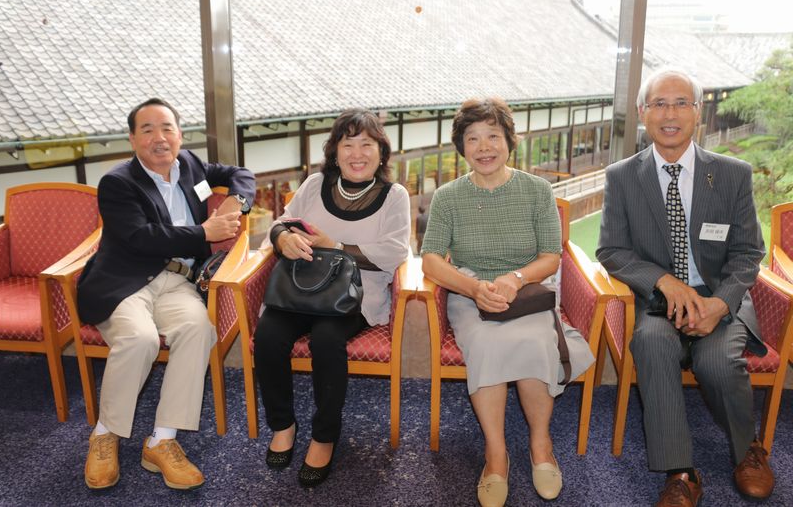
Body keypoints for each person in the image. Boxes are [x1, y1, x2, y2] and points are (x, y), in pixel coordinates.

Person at [597, 68, 773, 506]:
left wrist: (719, 304)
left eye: (681, 103)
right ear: (643, 112)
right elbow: (612, 250)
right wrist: (663, 281)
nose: (670, 114)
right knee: (652, 344)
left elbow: (748, 253)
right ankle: (680, 471)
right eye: (659, 104)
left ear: (698, 112)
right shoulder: (622, 176)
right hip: (658, 302)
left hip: (718, 299)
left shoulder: (732, 174)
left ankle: (748, 450)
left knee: (717, 361)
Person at [420, 97, 594, 506]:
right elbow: (430, 260)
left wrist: (515, 279)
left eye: (493, 136)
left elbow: (551, 255)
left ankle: (540, 444)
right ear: (462, 147)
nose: (484, 147)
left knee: (535, 340)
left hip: (527, 293)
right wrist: (473, 288)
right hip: (471, 294)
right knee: (486, 341)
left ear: (509, 142)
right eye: (473, 138)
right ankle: (496, 454)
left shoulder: (537, 190)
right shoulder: (448, 197)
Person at [77, 98, 256, 490]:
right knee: (139, 338)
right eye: (147, 130)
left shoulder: (190, 165)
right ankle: (105, 433)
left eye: (167, 128)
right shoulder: (117, 183)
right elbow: (141, 237)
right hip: (125, 281)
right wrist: (203, 233)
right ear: (132, 139)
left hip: (178, 281)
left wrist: (236, 201)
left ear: (179, 134)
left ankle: (162, 439)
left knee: (198, 329)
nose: (159, 138)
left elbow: (240, 173)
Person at [254, 109, 410, 487]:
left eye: (366, 144)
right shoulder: (314, 184)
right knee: (269, 335)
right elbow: (281, 223)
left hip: (355, 295)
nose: (357, 154)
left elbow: (395, 252)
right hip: (301, 288)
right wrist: (283, 238)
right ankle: (283, 424)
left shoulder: (394, 196)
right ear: (335, 152)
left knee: (326, 339)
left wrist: (335, 245)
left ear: (381, 152)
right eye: (347, 144)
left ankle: (324, 435)